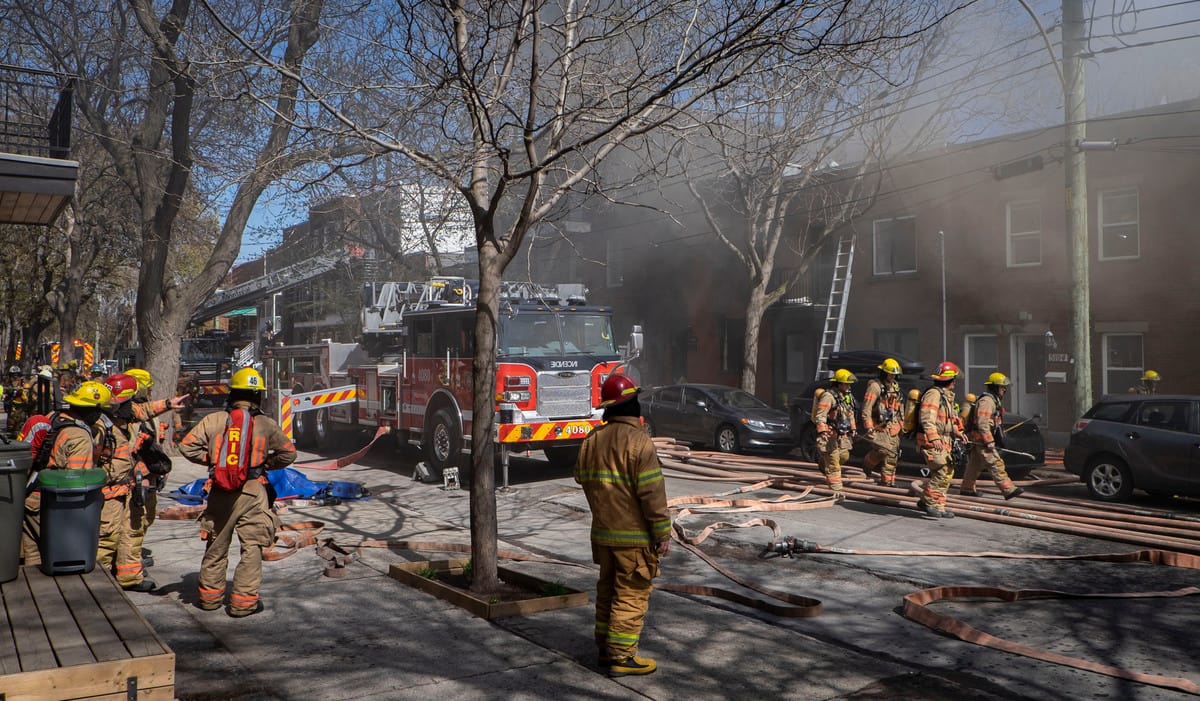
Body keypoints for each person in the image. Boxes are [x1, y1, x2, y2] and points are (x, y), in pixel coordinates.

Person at [574, 374, 671, 677]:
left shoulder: (592, 440)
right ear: (632, 404)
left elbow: (581, 478)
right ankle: (622, 657)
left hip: (603, 536)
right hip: (634, 539)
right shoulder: (639, 442)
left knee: (607, 593)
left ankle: (605, 650)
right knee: (630, 595)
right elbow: (652, 494)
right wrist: (662, 532)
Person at [179, 367, 296, 617]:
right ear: (258, 396)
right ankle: (243, 604)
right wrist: (265, 464)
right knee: (251, 547)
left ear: (232, 393)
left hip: (220, 491)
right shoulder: (266, 424)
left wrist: (214, 461)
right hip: (253, 492)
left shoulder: (214, 420)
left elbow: (186, 446)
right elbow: (289, 453)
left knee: (216, 545)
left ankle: (209, 599)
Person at [20, 381, 111, 565]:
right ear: (92, 410)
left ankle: (36, 592)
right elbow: (76, 482)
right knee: (58, 557)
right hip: (53, 506)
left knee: (34, 558)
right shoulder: (80, 436)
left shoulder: (54, 417)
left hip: (31, 498)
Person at [95, 373, 158, 592]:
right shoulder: (101, 426)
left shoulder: (123, 419)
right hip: (111, 489)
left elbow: (145, 412)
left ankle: (130, 577)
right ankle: (98, 582)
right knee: (107, 537)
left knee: (132, 531)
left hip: (130, 485)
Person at [125, 367, 188, 569]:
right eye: (147, 388)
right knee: (134, 521)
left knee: (147, 517)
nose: (150, 392)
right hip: (137, 477)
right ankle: (129, 564)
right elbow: (131, 449)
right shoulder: (128, 414)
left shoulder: (146, 410)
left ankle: (131, 556)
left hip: (150, 474)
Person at [959, 372, 1024, 500]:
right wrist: (989, 440)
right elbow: (982, 422)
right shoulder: (987, 401)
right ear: (994, 387)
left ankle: (967, 489)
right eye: (1002, 387)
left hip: (979, 438)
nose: (1004, 390)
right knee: (995, 463)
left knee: (975, 464)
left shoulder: (993, 401)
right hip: (981, 439)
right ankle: (1008, 489)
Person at [914, 361, 966, 519]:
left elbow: (947, 421)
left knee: (947, 473)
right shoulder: (934, 394)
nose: (955, 383)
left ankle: (939, 505)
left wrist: (957, 432)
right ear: (948, 380)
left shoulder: (946, 396)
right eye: (954, 379)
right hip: (932, 440)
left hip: (944, 439)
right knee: (942, 472)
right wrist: (934, 437)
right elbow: (927, 418)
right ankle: (929, 502)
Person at [813, 368, 858, 497]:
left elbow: (850, 414)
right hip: (830, 434)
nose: (849, 386)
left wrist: (853, 428)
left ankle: (823, 463)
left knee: (844, 456)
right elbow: (821, 415)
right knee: (834, 462)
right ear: (839, 383)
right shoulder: (829, 396)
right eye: (846, 384)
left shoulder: (847, 396)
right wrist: (822, 431)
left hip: (842, 435)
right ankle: (836, 490)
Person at [861, 358, 903, 488]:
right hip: (878, 426)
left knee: (892, 455)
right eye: (890, 373)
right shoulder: (875, 386)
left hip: (893, 426)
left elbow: (900, 408)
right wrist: (868, 426)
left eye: (894, 374)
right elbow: (866, 408)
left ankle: (887, 482)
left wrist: (900, 425)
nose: (892, 376)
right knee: (882, 450)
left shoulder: (895, 387)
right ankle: (867, 464)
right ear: (883, 372)